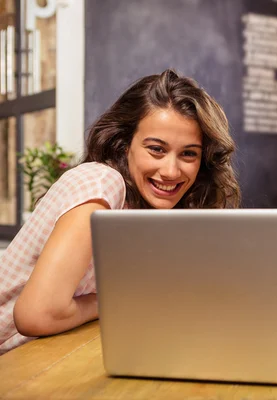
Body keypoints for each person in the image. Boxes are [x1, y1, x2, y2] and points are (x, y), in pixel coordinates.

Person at [0, 69, 241, 354]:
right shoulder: (103, 183)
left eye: (189, 153)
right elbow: (37, 315)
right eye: (156, 149)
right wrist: (115, 299)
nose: (171, 171)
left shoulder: (147, 206)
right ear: (123, 144)